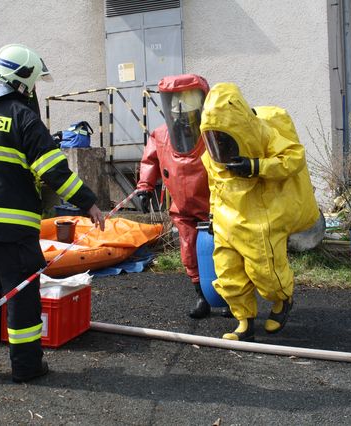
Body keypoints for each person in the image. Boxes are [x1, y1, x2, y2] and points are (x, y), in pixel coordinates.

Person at [0, 43, 105, 383]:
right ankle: (26, 367)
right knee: (21, 298)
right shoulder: (24, 118)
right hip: (14, 234)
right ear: (23, 81)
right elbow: (55, 171)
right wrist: (89, 203)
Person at [200, 82, 320, 341]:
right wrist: (212, 215)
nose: (217, 143)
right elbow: (215, 186)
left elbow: (294, 158)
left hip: (257, 219)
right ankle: (244, 323)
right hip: (225, 221)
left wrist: (256, 166)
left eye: (222, 135)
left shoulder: (263, 133)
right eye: (212, 136)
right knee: (228, 275)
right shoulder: (212, 152)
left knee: (266, 274)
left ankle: (283, 299)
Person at [136, 74, 223, 319]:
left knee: (224, 253)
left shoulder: (213, 133)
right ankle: (202, 296)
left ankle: (229, 298)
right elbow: (149, 159)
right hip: (183, 209)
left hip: (216, 208)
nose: (183, 111)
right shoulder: (162, 135)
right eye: (176, 104)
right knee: (189, 251)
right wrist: (144, 187)